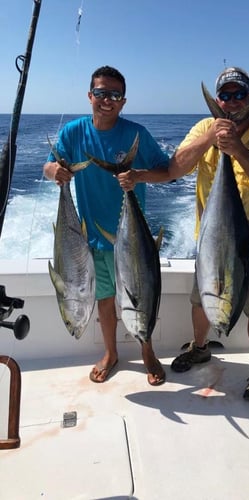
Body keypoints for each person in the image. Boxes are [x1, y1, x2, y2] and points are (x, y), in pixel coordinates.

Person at [168, 67, 249, 402]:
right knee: (200, 300)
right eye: (226, 96)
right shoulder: (204, 128)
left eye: (240, 95)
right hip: (210, 247)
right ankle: (199, 348)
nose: (232, 102)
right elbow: (175, 168)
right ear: (218, 100)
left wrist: (237, 149)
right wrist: (211, 138)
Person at [43, 65, 170, 385]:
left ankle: (147, 351)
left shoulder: (135, 134)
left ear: (123, 101)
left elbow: (165, 171)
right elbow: (48, 165)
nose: (107, 100)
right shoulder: (73, 132)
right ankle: (111, 353)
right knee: (104, 298)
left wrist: (138, 175)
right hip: (91, 237)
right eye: (101, 93)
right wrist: (54, 172)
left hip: (132, 240)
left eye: (114, 95)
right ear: (90, 96)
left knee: (140, 295)